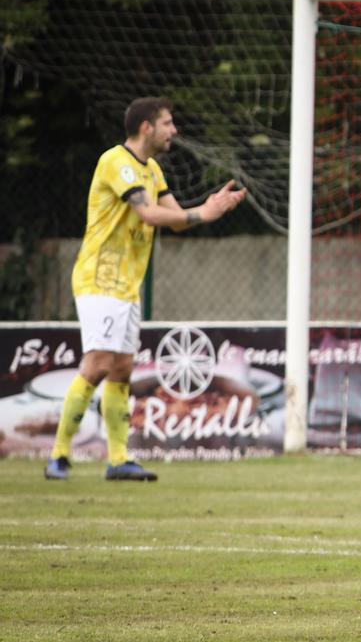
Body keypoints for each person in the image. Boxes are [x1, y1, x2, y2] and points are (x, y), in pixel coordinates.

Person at [44, 97, 246, 482]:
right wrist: (201, 212)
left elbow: (174, 220)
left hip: (127, 284)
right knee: (98, 363)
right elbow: (148, 214)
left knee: (121, 369)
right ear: (146, 127)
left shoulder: (152, 170)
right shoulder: (116, 162)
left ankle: (118, 460)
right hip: (100, 277)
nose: (175, 131)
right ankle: (58, 455)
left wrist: (209, 207)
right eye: (168, 123)